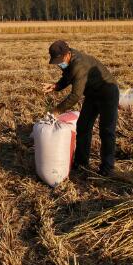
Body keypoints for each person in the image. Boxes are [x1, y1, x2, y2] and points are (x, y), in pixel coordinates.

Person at [42, 40, 119, 176]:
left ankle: (108, 167)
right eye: (56, 61)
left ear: (67, 54)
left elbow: (75, 96)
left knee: (106, 130)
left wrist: (56, 111)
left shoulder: (79, 64)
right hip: (92, 94)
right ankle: (81, 163)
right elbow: (67, 77)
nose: (59, 64)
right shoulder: (69, 62)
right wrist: (55, 86)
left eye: (60, 60)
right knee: (83, 126)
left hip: (107, 92)